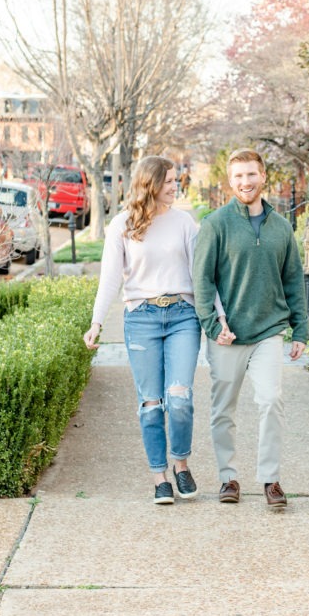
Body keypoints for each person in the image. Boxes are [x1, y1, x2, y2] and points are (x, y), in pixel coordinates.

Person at [83, 155, 229, 505]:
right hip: (142, 318)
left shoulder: (184, 223)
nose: (174, 185)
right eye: (168, 181)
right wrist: (96, 322)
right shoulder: (122, 224)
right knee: (151, 404)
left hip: (182, 316)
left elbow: (202, 276)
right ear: (150, 183)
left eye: (175, 180)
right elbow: (110, 279)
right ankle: (159, 476)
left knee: (179, 399)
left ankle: (181, 464)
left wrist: (219, 317)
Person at [192, 147, 308, 509]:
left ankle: (270, 479)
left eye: (251, 174)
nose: (246, 182)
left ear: (263, 177)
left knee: (271, 400)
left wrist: (300, 330)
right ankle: (228, 477)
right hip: (227, 336)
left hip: (268, 332)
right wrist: (212, 327)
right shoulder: (216, 224)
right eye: (239, 176)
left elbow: (294, 281)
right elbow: (202, 282)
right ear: (230, 181)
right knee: (223, 409)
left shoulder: (281, 227)